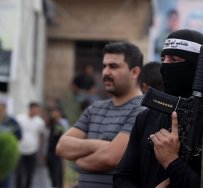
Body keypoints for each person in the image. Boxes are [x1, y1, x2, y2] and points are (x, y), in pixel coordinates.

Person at [114, 29, 203, 188]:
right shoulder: (145, 118)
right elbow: (122, 177)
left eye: (175, 60)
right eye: (163, 59)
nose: (165, 67)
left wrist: (171, 161)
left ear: (198, 68)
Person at [56, 42, 145, 188]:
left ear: (134, 72)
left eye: (113, 66)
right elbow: (62, 146)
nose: (105, 72)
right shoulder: (95, 109)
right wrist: (101, 145)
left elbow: (111, 158)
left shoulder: (142, 109)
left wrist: (78, 161)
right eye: (104, 66)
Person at [15, 102, 46, 188]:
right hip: (20, 150)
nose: (38, 112)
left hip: (32, 150)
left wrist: (41, 152)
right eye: (36, 109)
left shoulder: (40, 122)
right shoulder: (19, 119)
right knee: (19, 174)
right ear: (31, 109)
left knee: (30, 173)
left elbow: (42, 137)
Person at [0, 100, 22, 188]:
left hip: (5, 158)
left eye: (1, 108)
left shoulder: (11, 121)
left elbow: (19, 136)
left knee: (5, 181)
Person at [46, 108, 69, 188]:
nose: (53, 114)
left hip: (58, 153)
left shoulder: (61, 124)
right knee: (52, 174)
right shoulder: (51, 123)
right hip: (50, 152)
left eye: (55, 112)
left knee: (57, 175)